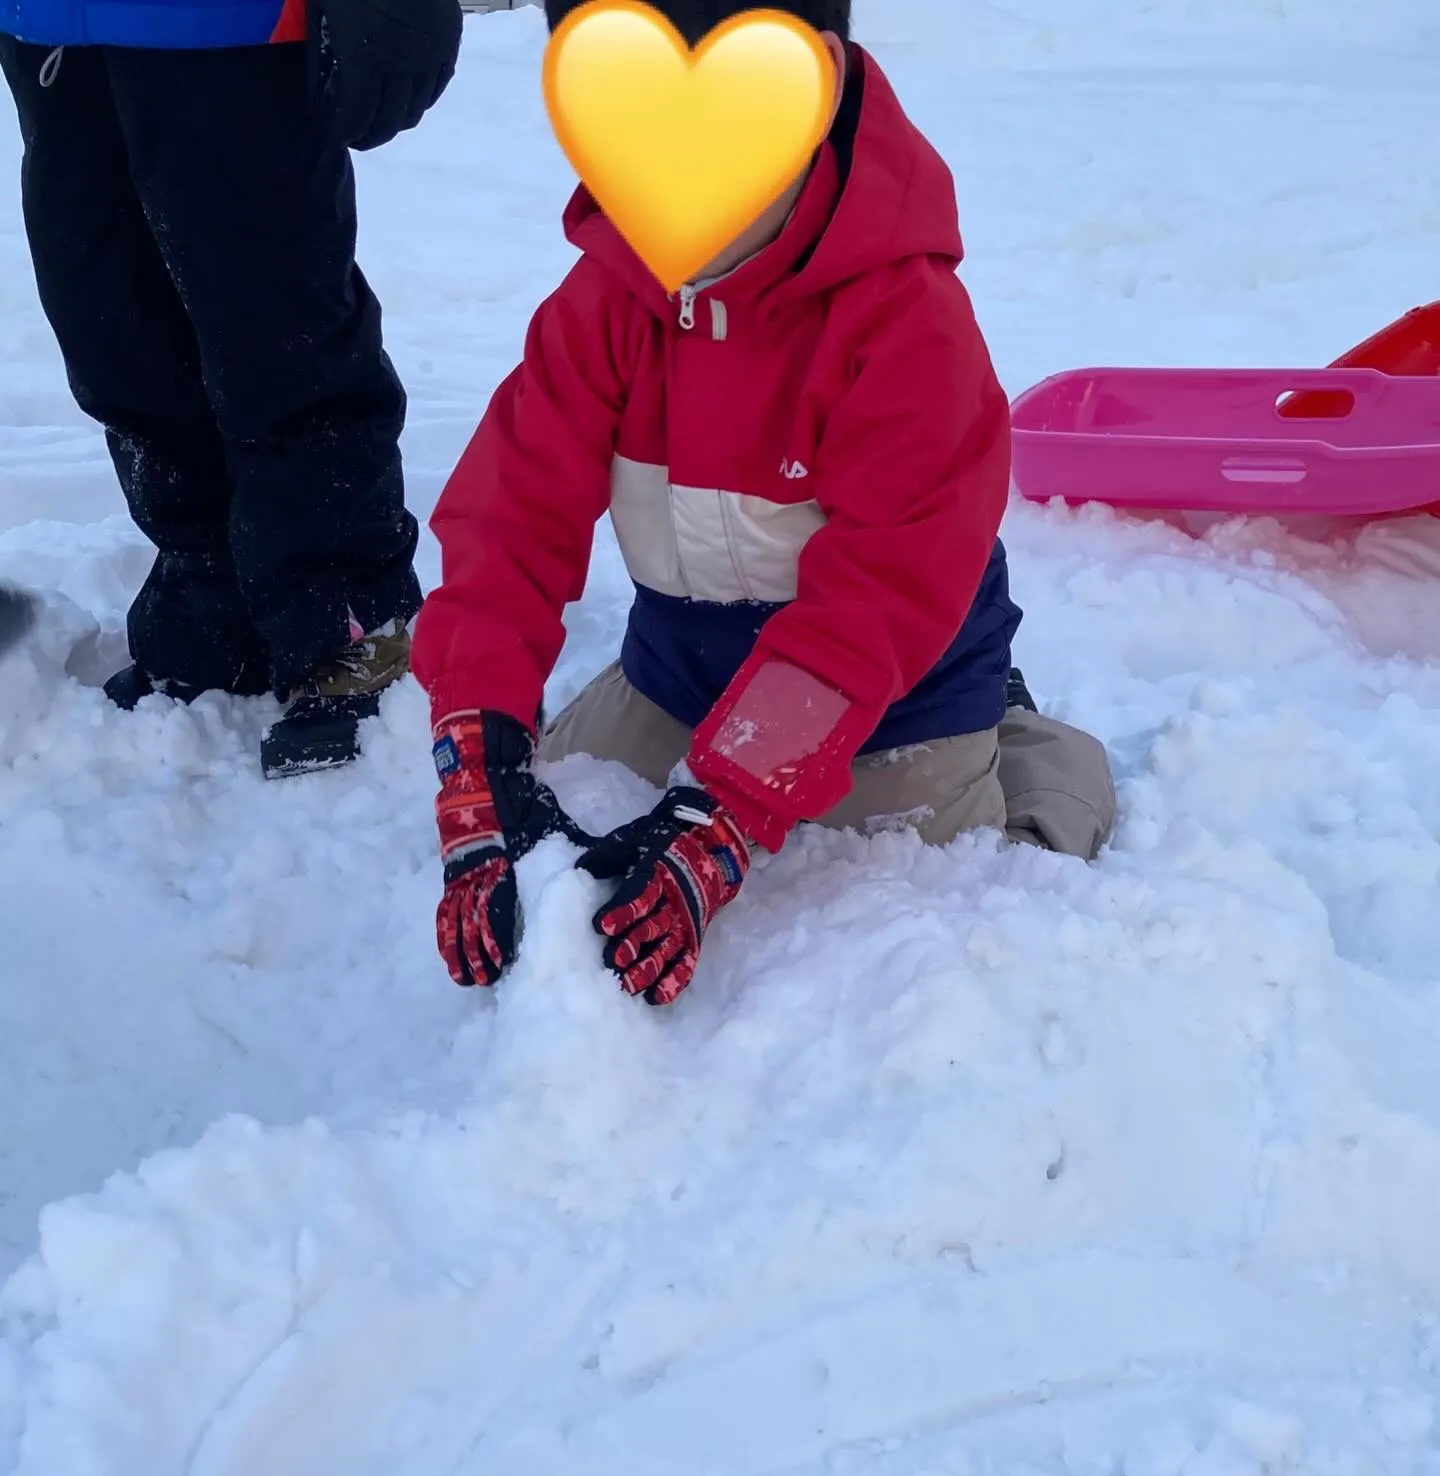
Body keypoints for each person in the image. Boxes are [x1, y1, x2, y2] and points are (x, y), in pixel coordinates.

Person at [413, 0, 1116, 1005]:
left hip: (888, 696)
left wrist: (726, 816)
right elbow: (509, 519)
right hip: (681, 675)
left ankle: (1029, 748)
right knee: (565, 788)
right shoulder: (607, 302)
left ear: (813, 85)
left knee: (918, 880)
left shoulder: (907, 325)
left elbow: (873, 600)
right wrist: (477, 758)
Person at [0, 0, 461, 777]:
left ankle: (350, 611)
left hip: (231, 23)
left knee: (273, 325)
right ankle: (210, 585)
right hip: (47, 24)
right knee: (113, 323)